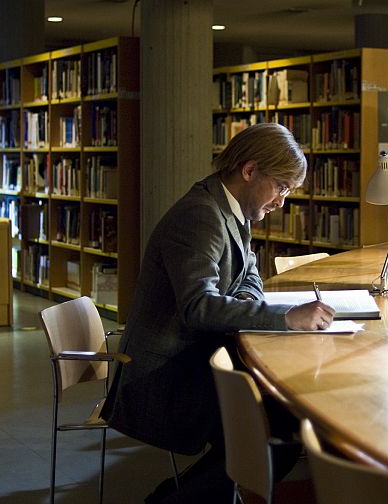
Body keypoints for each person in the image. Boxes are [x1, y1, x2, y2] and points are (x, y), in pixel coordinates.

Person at [101, 123, 335, 503]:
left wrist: (246, 304)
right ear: (249, 170)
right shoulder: (202, 215)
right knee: (279, 426)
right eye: (281, 187)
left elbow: (250, 280)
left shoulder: (234, 208)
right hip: (167, 377)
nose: (281, 202)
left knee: (277, 417)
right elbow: (198, 308)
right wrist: (286, 318)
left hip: (198, 358)